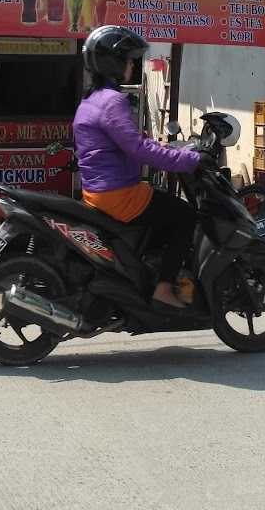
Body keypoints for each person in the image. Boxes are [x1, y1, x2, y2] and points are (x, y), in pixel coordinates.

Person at [73, 25, 207, 311]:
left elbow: (130, 141)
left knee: (158, 203)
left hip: (100, 191)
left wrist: (169, 150)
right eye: (130, 60)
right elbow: (138, 149)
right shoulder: (112, 102)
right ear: (115, 63)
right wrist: (189, 159)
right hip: (118, 194)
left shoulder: (91, 99)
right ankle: (162, 289)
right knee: (184, 215)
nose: (133, 66)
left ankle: (144, 273)